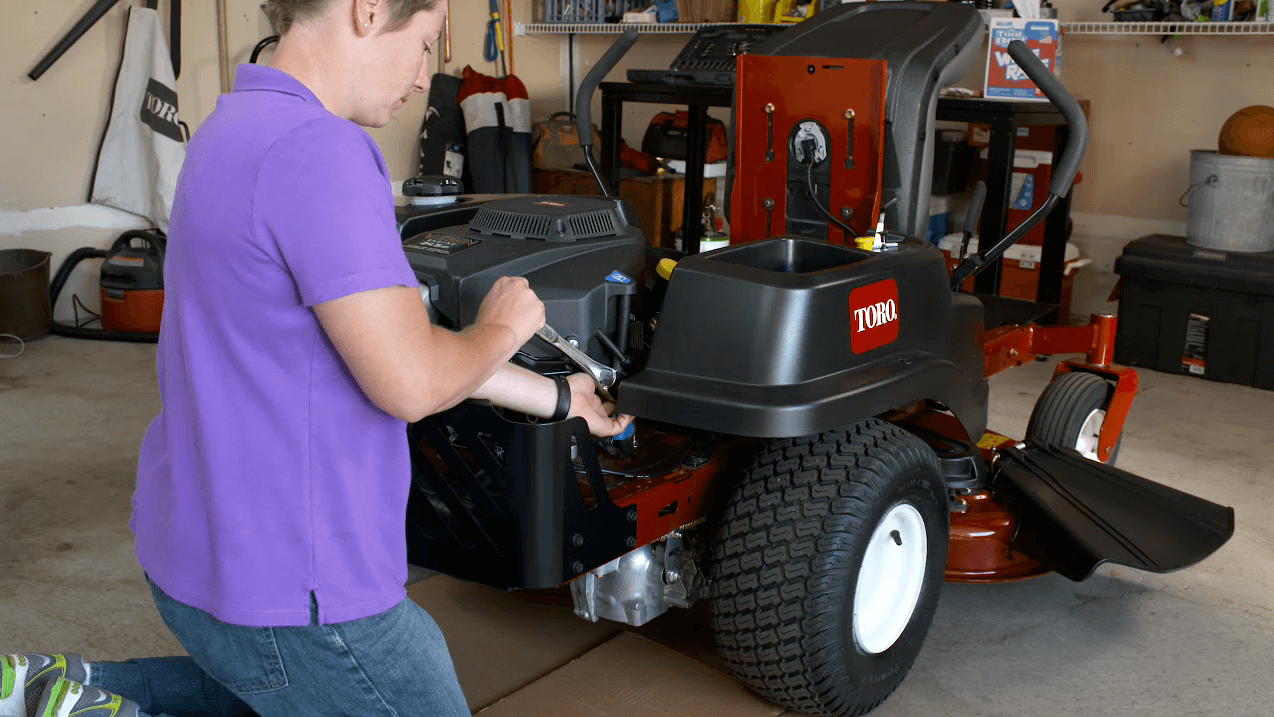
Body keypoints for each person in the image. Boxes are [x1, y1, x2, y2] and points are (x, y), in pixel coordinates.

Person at [2, 0, 631, 715]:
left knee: (279, 694)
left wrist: (560, 398)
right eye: (424, 43)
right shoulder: (320, 153)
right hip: (301, 592)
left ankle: (58, 693)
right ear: (367, 11)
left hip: (197, 554)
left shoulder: (230, 127)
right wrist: (503, 325)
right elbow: (414, 379)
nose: (426, 77)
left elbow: (390, 342)